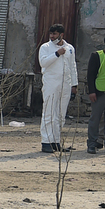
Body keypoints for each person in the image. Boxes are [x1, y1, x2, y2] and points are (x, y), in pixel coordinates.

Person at [38, 23, 78, 153]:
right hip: (51, 83)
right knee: (49, 112)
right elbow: (43, 63)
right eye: (51, 34)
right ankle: (46, 141)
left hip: (65, 84)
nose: (52, 36)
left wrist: (74, 84)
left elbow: (73, 67)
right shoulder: (46, 47)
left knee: (60, 115)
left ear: (61, 35)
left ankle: (56, 141)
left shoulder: (70, 48)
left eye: (54, 34)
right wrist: (56, 54)